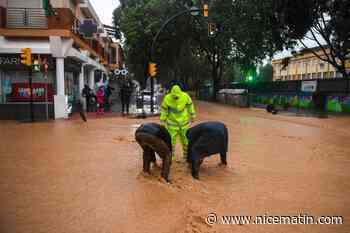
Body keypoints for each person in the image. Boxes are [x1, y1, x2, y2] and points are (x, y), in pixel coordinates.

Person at [160, 85, 196, 161]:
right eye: (174, 96)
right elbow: (164, 110)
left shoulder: (185, 96)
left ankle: (186, 156)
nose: (176, 98)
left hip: (184, 124)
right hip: (172, 125)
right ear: (171, 94)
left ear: (180, 93)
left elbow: (190, 105)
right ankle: (171, 156)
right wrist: (163, 120)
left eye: (177, 96)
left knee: (186, 141)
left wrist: (192, 114)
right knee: (171, 142)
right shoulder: (167, 98)